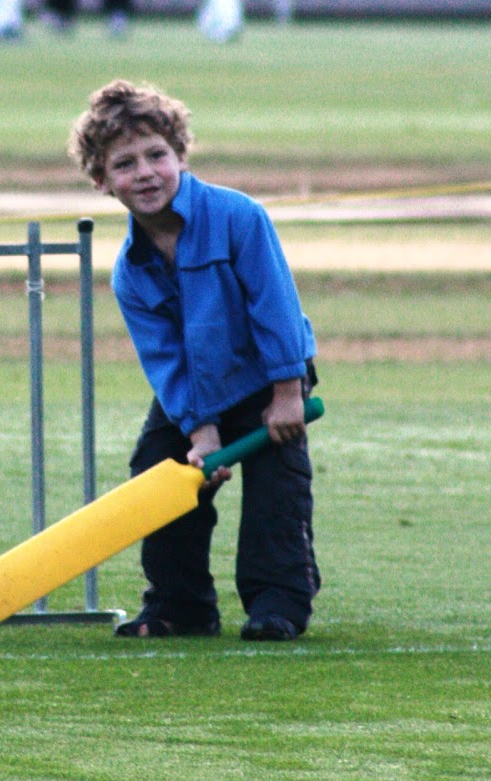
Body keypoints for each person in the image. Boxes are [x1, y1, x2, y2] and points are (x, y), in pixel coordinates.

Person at [68, 79, 321, 642]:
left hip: (268, 377)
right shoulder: (129, 273)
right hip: (197, 391)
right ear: (102, 181)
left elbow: (276, 308)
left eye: (156, 155)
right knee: (157, 473)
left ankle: (278, 602)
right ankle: (181, 605)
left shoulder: (238, 216)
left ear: (180, 155)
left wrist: (287, 393)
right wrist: (200, 430)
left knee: (276, 488)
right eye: (125, 164)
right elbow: (167, 362)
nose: (146, 173)